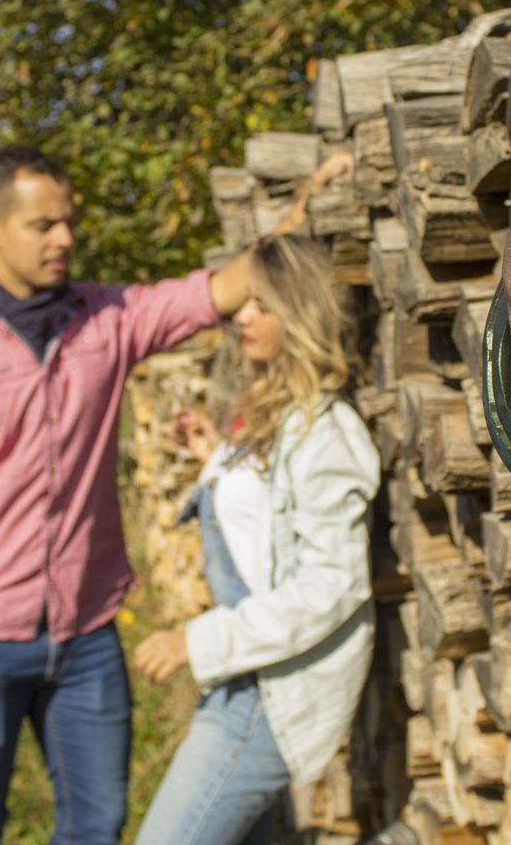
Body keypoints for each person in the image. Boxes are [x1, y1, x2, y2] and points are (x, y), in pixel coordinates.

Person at [0, 143, 352, 845]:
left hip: (86, 638)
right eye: (43, 226)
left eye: (68, 223)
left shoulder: (108, 319)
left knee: (97, 825)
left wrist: (306, 203)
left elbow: (226, 287)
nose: (65, 239)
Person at [132, 233, 380, 845]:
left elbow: (332, 583)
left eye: (263, 305)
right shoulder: (277, 412)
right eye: (246, 302)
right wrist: (213, 456)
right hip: (246, 678)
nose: (242, 314)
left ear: (300, 316)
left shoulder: (327, 432)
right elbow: (269, 519)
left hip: (271, 698)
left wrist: (199, 639)